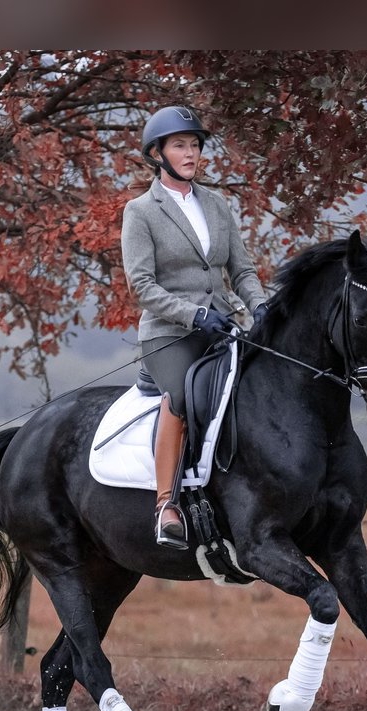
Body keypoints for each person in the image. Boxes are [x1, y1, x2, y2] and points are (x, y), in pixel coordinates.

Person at [120, 105, 269, 549]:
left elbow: (241, 271)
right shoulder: (141, 211)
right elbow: (141, 286)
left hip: (222, 326)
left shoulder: (217, 205)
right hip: (169, 334)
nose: (191, 153)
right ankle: (166, 505)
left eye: (195, 145)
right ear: (157, 153)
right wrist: (194, 314)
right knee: (183, 396)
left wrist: (261, 309)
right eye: (180, 145)